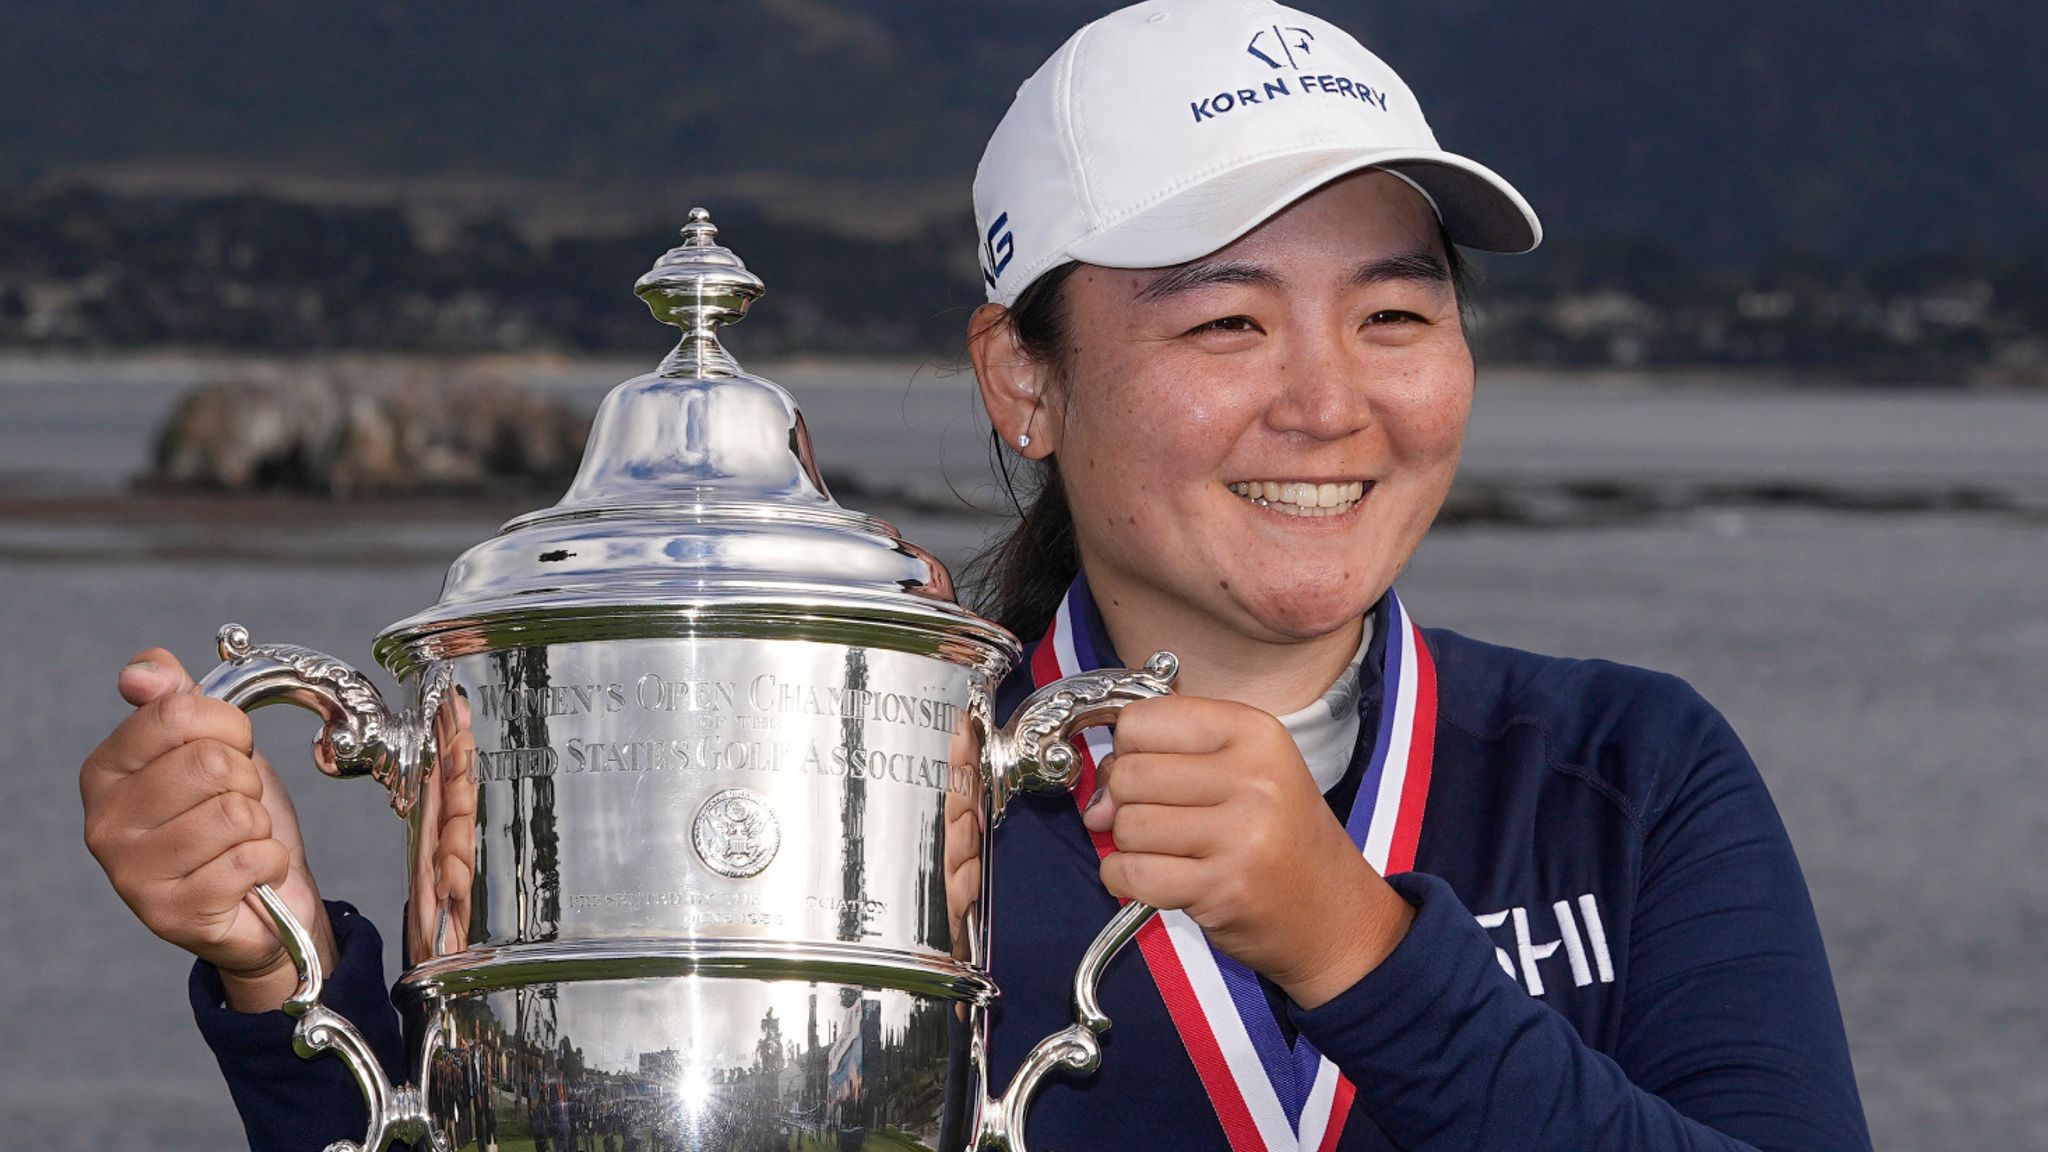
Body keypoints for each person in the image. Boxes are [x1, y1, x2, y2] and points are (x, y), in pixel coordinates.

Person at [79, 2, 1871, 1149]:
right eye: (1228, 320)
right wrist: (275, 965)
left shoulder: (1626, 775)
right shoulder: (847, 789)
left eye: (1397, 312)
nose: (1331, 400)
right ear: (1024, 380)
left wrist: (1355, 944)